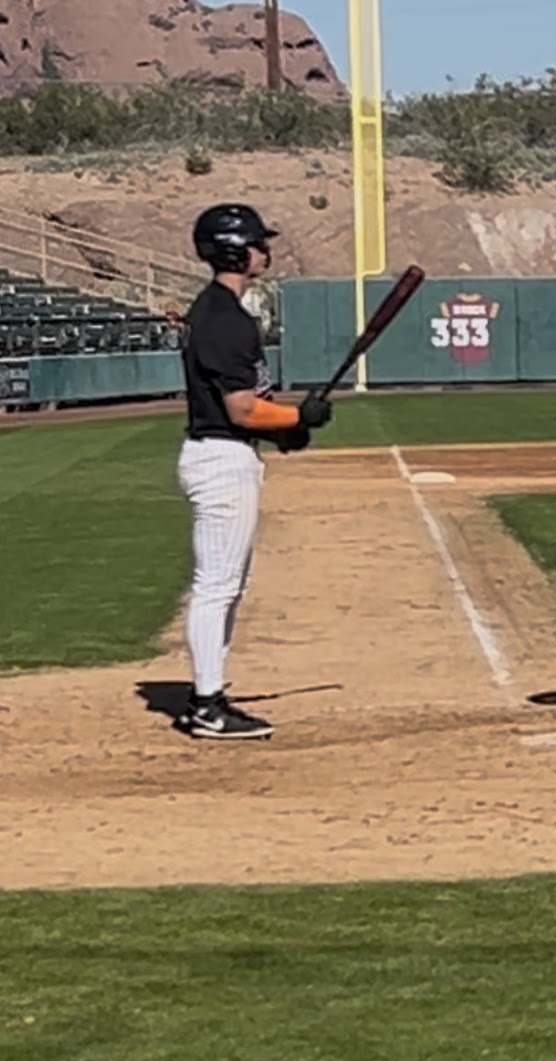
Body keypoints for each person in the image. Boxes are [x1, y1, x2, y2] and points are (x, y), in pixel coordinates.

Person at [175, 203, 332, 741]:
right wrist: (296, 417)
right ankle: (206, 704)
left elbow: (247, 408)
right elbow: (242, 409)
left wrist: (286, 430)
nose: (266, 250)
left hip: (226, 451)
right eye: (257, 243)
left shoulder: (221, 313)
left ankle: (209, 691)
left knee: (227, 584)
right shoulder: (224, 319)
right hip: (221, 457)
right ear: (235, 250)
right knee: (216, 584)